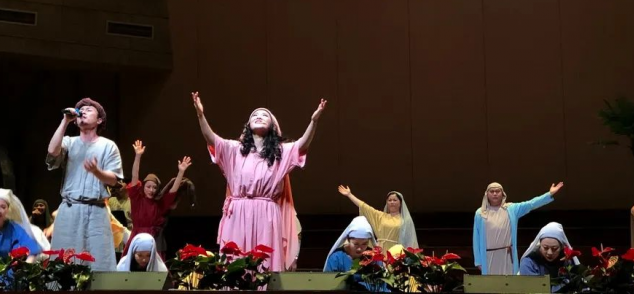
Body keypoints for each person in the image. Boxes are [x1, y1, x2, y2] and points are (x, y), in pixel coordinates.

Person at [192, 91, 327, 272]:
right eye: (255, 115)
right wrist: (201, 115)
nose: (259, 117)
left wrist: (314, 121)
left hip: (266, 213)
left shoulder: (280, 151)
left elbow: (302, 144)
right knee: (235, 262)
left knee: (265, 263)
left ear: (273, 125)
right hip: (238, 212)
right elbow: (211, 138)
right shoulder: (234, 149)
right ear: (248, 125)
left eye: (265, 115)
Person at [47, 97, 123, 271]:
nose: (84, 111)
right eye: (81, 109)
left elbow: (113, 180)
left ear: (99, 120)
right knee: (63, 264)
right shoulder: (69, 142)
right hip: (70, 209)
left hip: (96, 211)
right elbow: (52, 151)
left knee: (98, 262)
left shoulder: (108, 146)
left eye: (89, 109)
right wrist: (65, 121)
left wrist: (97, 172)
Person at [473, 181, 564, 275]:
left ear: (503, 194)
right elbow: (476, 238)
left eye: (497, 191)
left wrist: (549, 194)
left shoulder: (511, 209)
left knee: (509, 285)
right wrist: (478, 261)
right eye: (492, 191)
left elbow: (531, 204)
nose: (495, 194)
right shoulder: (480, 213)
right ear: (487, 194)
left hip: (507, 256)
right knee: (490, 285)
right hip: (488, 256)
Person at [125, 139, 192, 256]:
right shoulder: (137, 199)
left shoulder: (159, 204)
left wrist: (181, 172)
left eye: (154, 187)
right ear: (143, 187)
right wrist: (138, 156)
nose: (151, 190)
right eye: (148, 187)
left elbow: (173, 191)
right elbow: (134, 175)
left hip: (154, 240)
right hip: (137, 238)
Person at [337, 187, 418, 253]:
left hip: (396, 251)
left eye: (395, 200)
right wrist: (349, 195)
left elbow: (410, 239)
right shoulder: (380, 216)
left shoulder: (405, 220)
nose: (392, 202)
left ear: (400, 203)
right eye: (389, 200)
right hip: (380, 250)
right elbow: (364, 207)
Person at [519, 222, 578, 290]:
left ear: (562, 247)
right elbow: (533, 288)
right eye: (545, 248)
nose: (549, 253)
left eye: (554, 249)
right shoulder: (529, 262)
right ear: (539, 245)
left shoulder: (568, 261)